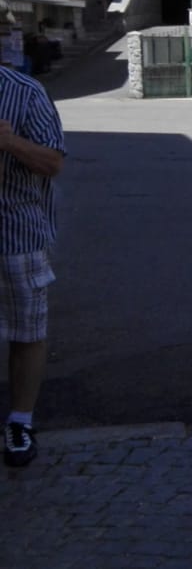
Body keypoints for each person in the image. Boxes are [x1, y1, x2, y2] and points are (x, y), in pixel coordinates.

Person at [0, 63, 66, 468]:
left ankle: (20, 422)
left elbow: (53, 162)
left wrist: (10, 143)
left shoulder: (25, 92)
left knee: (26, 332)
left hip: (16, 234)